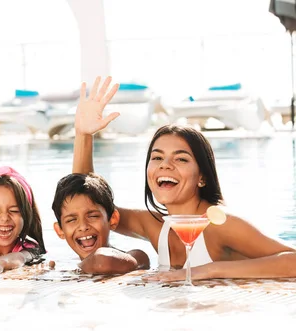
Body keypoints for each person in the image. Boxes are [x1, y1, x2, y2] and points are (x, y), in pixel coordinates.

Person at [73, 76, 296, 281]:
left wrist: (210, 270)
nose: (165, 165)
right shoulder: (154, 225)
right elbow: (88, 200)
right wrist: (83, 135)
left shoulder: (220, 223)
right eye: (157, 157)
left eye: (181, 159)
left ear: (202, 177)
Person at [52, 173, 150, 274]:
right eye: (71, 220)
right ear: (60, 230)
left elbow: (102, 261)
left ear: (113, 219)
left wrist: (75, 271)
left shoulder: (136, 257)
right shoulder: (63, 263)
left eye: (93, 216)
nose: (83, 226)